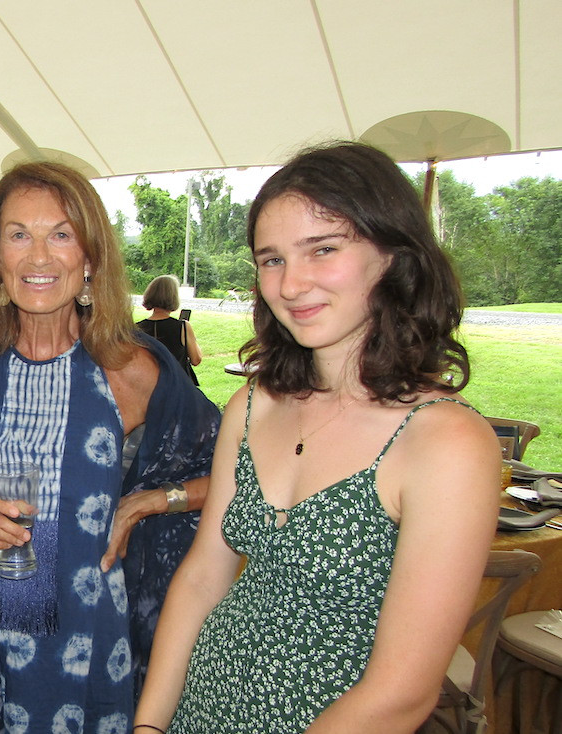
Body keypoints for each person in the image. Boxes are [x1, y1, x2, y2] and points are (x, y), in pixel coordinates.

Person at [134, 142, 500, 734]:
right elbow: (205, 575)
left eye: (323, 249)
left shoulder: (445, 443)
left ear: (392, 255)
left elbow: (402, 694)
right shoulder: (252, 406)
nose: (292, 283)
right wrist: (149, 725)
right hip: (202, 709)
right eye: (271, 259)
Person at [0, 161, 220, 733]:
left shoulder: (133, 369)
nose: (39, 257)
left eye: (62, 235)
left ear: (90, 258)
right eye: (19, 235)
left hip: (89, 649)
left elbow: (238, 471)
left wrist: (149, 502)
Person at [137, 275, 201, 385]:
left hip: (147, 387)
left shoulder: (136, 328)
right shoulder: (183, 326)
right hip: (176, 387)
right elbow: (196, 360)